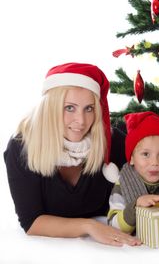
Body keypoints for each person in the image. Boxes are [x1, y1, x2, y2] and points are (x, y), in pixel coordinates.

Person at [3, 62, 141, 247]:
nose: (81, 121)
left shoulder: (111, 141)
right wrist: (89, 227)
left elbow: (151, 180)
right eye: (69, 108)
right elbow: (32, 221)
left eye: (89, 108)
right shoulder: (22, 147)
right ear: (51, 108)